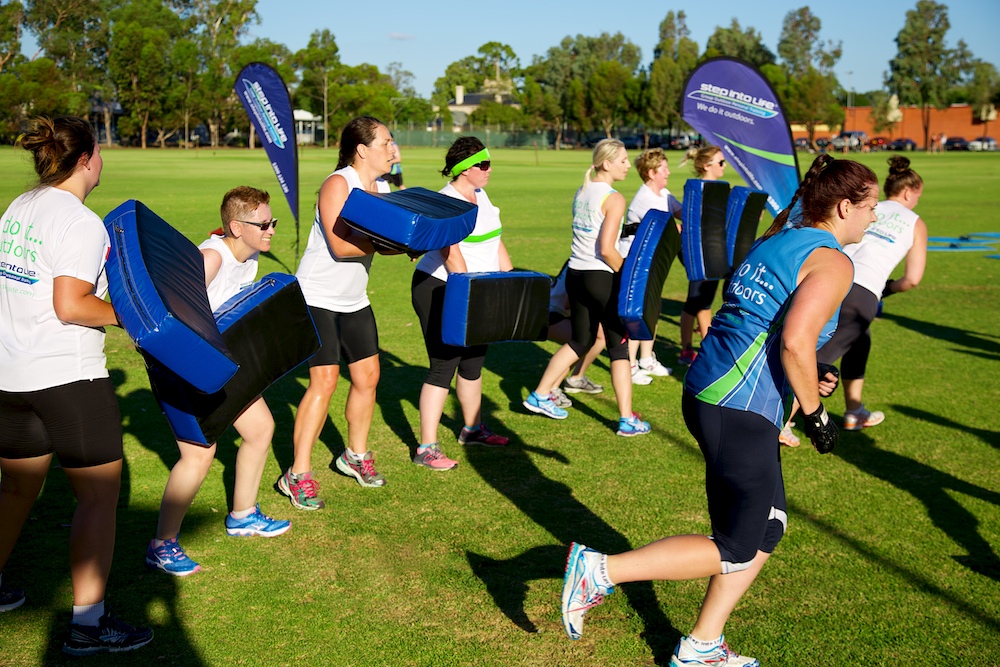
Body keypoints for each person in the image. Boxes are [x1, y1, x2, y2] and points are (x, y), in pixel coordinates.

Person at [561, 154, 879, 666]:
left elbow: (767, 332)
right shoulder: (833, 261)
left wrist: (800, 387)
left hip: (716, 397)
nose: (874, 217)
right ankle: (601, 571)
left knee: (767, 528)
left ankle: (702, 644)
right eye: (871, 207)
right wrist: (816, 413)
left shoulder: (778, 241)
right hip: (736, 406)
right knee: (735, 543)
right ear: (845, 207)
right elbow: (796, 343)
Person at [0, 116, 152, 654]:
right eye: (101, 151)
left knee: (17, 488)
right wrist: (130, 318)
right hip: (66, 377)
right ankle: (90, 625)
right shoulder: (81, 222)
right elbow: (72, 304)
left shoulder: (19, 207)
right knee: (98, 499)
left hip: (11, 377)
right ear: (86, 158)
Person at [146, 186, 290, 577]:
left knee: (261, 428)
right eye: (264, 224)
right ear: (236, 227)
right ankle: (162, 545)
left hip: (219, 364)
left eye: (272, 221)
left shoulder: (251, 256)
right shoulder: (211, 258)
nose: (271, 230)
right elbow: (167, 315)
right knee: (198, 454)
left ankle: (243, 515)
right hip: (184, 368)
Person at [278, 116, 398, 507]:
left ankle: (354, 456)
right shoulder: (338, 184)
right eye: (386, 143)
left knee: (368, 377)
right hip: (316, 296)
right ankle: (296, 474)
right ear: (362, 149)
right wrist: (391, 243)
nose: (393, 150)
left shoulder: (378, 187)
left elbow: (392, 237)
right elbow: (340, 246)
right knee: (325, 382)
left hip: (354, 298)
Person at [780, 155, 927, 445]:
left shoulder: (869, 205)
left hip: (829, 274)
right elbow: (912, 279)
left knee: (860, 339)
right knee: (815, 356)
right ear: (909, 192)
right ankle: (781, 422)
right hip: (863, 292)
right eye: (918, 197)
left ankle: (854, 410)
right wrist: (888, 288)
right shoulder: (916, 223)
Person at [523, 139, 650, 437]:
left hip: (576, 276)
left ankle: (540, 394)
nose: (628, 165)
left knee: (580, 340)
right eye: (623, 160)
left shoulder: (582, 191)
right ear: (606, 163)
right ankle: (626, 420)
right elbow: (607, 249)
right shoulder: (614, 198)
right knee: (619, 348)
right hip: (600, 277)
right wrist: (627, 275)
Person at [410, 138, 512, 467]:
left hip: (475, 287)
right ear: (465, 169)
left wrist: (508, 281)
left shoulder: (481, 195)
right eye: (484, 165)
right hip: (442, 286)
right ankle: (426, 448)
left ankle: (472, 429)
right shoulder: (447, 202)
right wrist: (469, 296)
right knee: (445, 363)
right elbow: (451, 256)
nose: (489, 170)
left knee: (473, 362)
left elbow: (495, 240)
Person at [622, 148, 683, 385]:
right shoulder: (645, 199)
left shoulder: (664, 193)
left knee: (653, 307)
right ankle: (630, 364)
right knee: (638, 311)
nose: (668, 172)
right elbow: (665, 230)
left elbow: (682, 212)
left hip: (654, 261)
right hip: (636, 261)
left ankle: (646, 359)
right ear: (651, 173)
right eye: (663, 169)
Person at [677, 146, 727, 366]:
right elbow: (693, 224)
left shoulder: (719, 188)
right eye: (721, 162)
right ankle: (686, 349)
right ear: (707, 166)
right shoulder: (699, 189)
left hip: (714, 251)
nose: (724, 166)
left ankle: (705, 348)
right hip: (699, 253)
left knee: (704, 301)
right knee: (696, 300)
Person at [548, 260, 606, 408]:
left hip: (557, 313)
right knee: (584, 339)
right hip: (550, 315)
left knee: (597, 335)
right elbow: (570, 303)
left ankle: (576, 378)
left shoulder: (581, 259)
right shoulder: (584, 263)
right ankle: (551, 389)